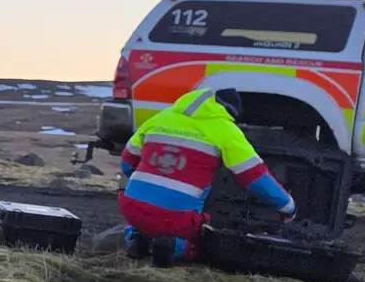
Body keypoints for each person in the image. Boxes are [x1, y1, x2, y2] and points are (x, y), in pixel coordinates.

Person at [119, 87, 296, 266]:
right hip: (177, 218)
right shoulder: (225, 129)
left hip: (131, 205)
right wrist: (287, 206)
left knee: (145, 220)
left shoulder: (161, 117)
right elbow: (255, 177)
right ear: (230, 112)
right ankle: (173, 247)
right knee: (200, 239)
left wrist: (153, 182)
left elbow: (126, 163)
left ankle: (136, 238)